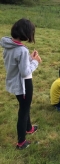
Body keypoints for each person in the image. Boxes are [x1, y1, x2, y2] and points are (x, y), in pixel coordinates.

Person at [0, 18, 42, 149]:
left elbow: (16, 63)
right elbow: (25, 72)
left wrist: (29, 58)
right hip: (24, 84)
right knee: (24, 110)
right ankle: (21, 142)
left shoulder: (8, 44)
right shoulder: (22, 50)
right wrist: (35, 62)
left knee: (25, 106)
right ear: (26, 33)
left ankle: (28, 128)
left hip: (14, 82)